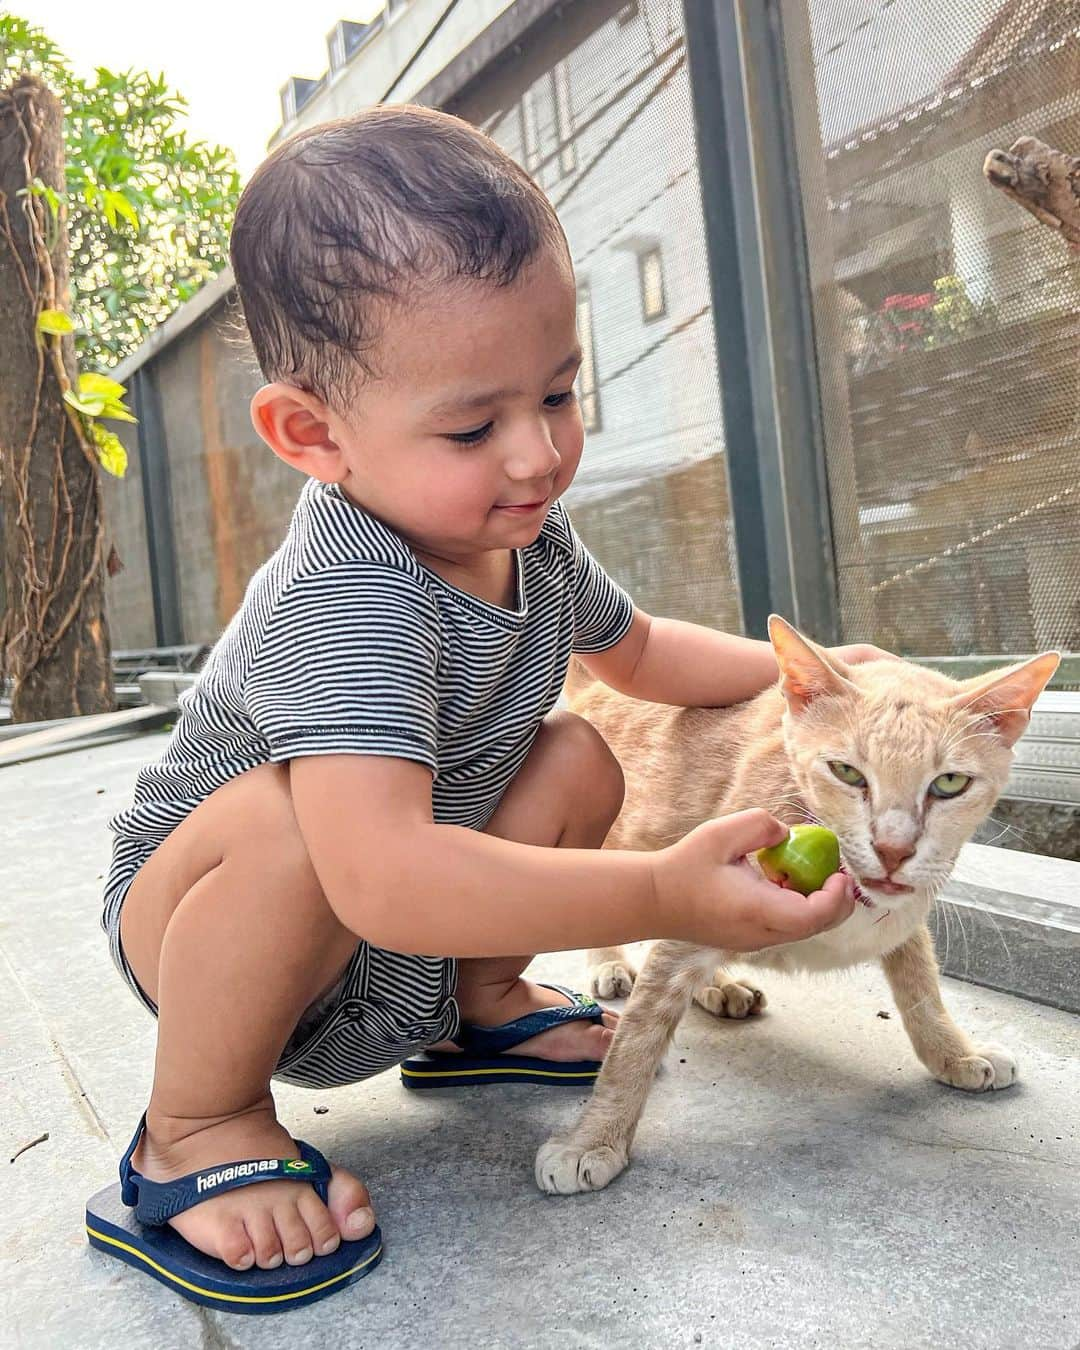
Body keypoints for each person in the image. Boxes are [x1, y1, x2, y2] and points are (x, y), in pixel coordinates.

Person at [91, 105, 872, 1307]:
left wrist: (821, 683)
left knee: (576, 754)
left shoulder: (527, 537)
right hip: (220, 934)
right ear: (314, 434)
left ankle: (476, 1010)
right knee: (302, 817)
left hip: (402, 929)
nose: (536, 455)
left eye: (557, 395)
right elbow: (382, 874)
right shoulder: (348, 594)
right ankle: (193, 1126)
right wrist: (664, 890)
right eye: (474, 424)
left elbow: (644, 651)